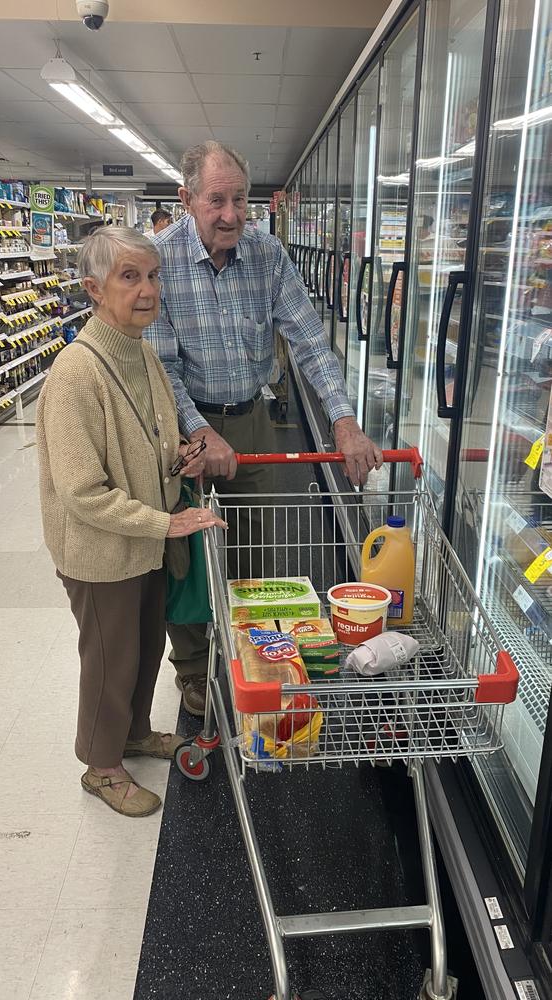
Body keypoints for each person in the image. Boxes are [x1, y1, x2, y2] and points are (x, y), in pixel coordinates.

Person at [145, 140, 383, 717]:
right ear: (186, 199)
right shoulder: (160, 258)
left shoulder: (268, 253)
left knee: (253, 542)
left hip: (252, 419)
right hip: (183, 433)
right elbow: (162, 363)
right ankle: (196, 668)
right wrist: (200, 431)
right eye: (216, 200)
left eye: (240, 199)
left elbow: (308, 339)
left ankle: (251, 645)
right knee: (188, 555)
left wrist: (344, 421)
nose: (231, 214)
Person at [36, 226, 226, 817]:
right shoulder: (76, 374)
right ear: (94, 289)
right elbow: (80, 491)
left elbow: (153, 436)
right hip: (102, 552)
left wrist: (179, 457)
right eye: (129, 277)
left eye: (153, 276)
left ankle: (137, 732)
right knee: (109, 657)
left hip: (142, 541)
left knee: (145, 648)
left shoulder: (142, 352)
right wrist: (164, 524)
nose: (147, 291)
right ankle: (101, 766)